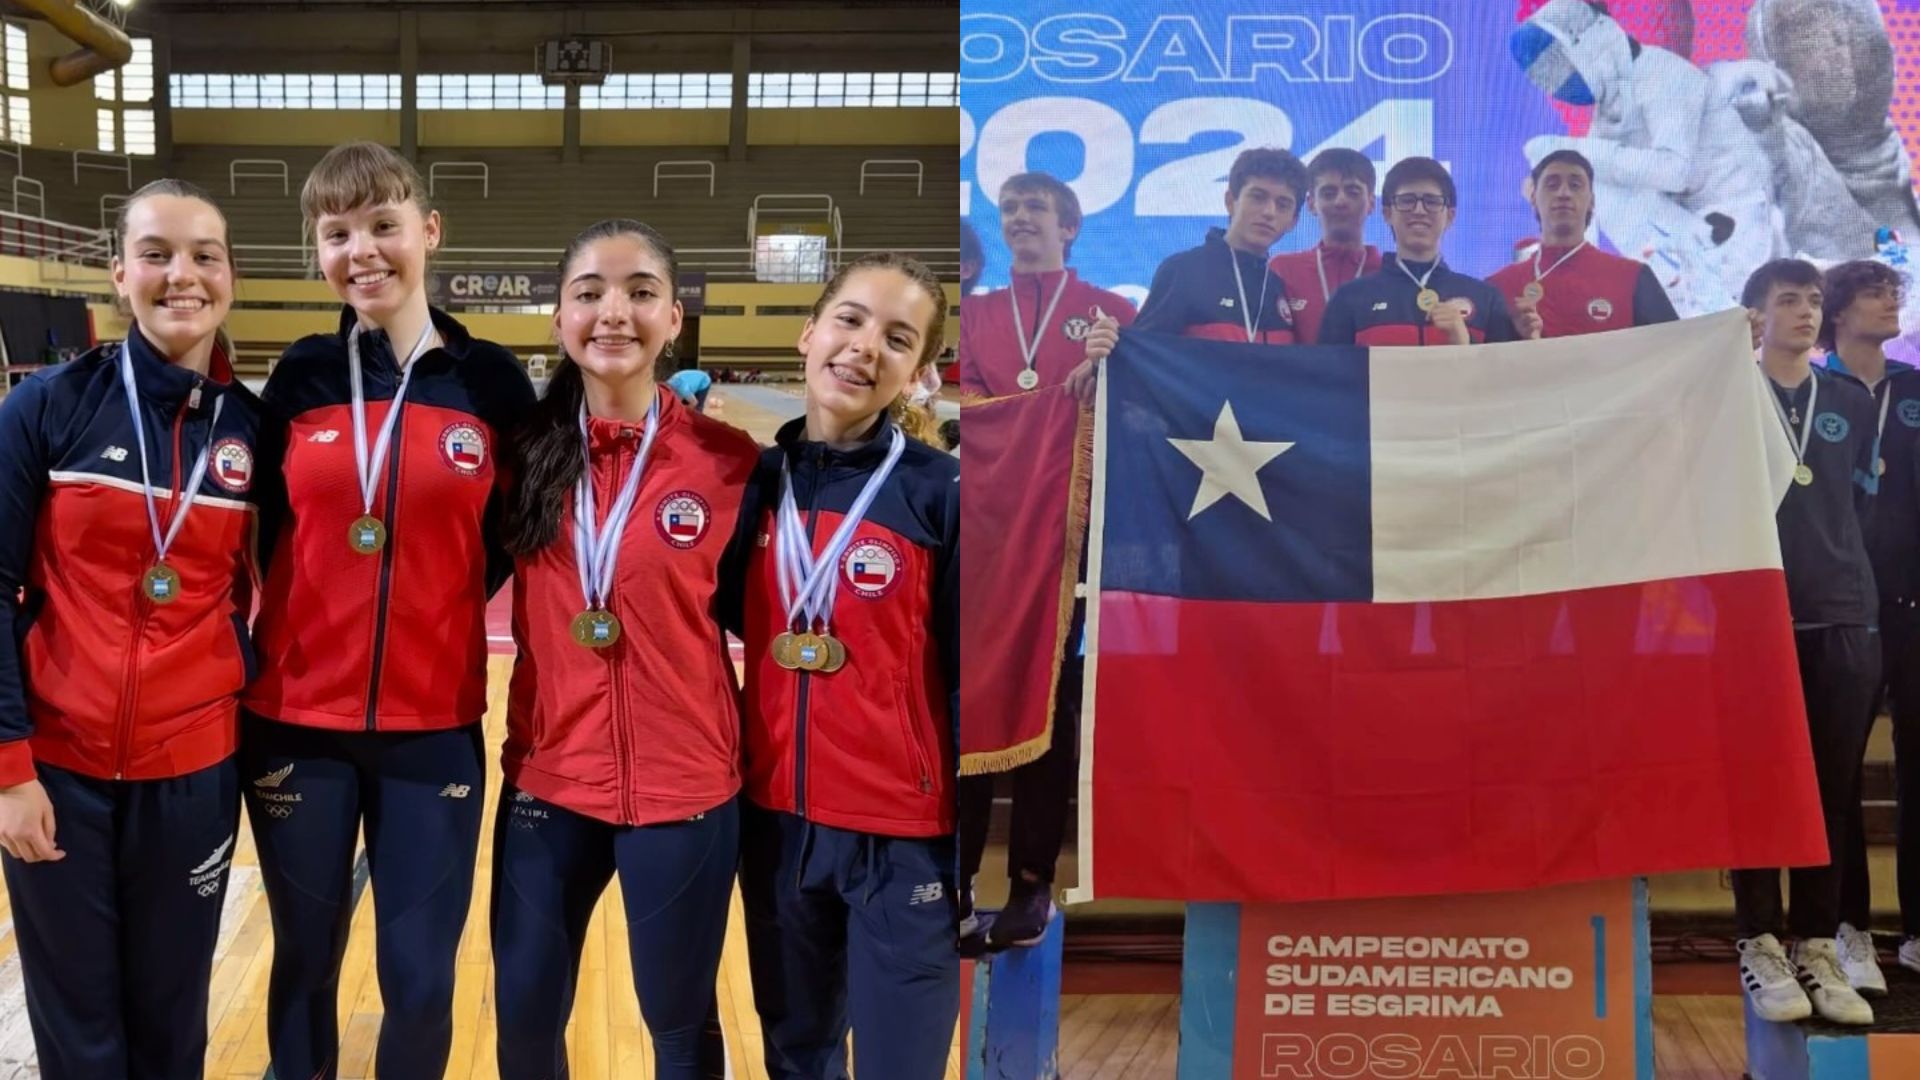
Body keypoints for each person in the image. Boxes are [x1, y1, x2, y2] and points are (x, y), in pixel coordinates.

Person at [242, 141, 536, 1079]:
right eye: (336, 233)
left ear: (428, 231)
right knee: (303, 965)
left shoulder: (490, 381)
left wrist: (429, 612)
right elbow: (265, 535)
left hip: (433, 730)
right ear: (318, 251)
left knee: (419, 976)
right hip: (294, 723)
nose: (361, 250)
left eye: (382, 225)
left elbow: (505, 537)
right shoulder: (301, 375)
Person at [0, 179, 262, 1079]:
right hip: (58, 773)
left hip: (193, 773)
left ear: (231, 276)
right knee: (77, 1021)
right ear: (119, 275)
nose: (180, 274)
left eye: (204, 255)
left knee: (171, 1019)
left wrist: (227, 675)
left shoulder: (255, 433)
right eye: (156, 253)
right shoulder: (46, 408)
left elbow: (282, 592)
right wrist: (8, 770)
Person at [490, 220, 759, 1079]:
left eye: (640, 292)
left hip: (686, 787)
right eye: (589, 293)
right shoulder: (520, 454)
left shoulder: (731, 462)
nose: (615, 312)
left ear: (672, 317)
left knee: (679, 1025)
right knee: (527, 1018)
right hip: (551, 779)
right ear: (558, 319)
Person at [732, 252, 959, 1079]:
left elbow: (974, 678)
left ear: (918, 371)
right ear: (809, 333)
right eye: (851, 320)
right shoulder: (753, 486)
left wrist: (977, 855)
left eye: (897, 338)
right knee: (796, 1058)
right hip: (777, 826)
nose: (866, 347)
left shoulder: (944, 493)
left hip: (903, 841)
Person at [1734, 258, 1879, 1027]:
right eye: (1787, 299)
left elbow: (1858, 501)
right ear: (1753, 314)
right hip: (1755, 618)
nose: (1803, 311)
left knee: (1832, 791)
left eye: (1812, 301)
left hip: (1841, 613)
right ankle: (1758, 937)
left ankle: (1816, 943)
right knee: (1758, 782)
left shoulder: (1850, 403)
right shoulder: (1725, 394)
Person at [1821, 259, 1920, 989]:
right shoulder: (1812, 390)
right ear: (1835, 310)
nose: (1892, 300)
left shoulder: (1916, 389)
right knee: (1840, 773)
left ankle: (1916, 931)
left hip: (1913, 605)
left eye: (1896, 290)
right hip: (1842, 607)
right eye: (1874, 292)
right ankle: (1846, 927)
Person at [958, 171, 1135, 403]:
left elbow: (1143, 400)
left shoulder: (1115, 311)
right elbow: (968, 408)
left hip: (1077, 440)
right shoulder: (971, 313)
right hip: (999, 439)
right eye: (1009, 209)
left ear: (1069, 227)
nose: (1019, 216)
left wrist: (1109, 371)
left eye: (1035, 207)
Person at [1318, 156, 1523, 346]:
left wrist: (1465, 342)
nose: (1419, 210)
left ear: (1450, 216)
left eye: (1432, 201)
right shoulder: (1350, 298)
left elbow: (1503, 379)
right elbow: (1330, 380)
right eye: (1407, 200)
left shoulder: (1486, 298)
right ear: (1388, 213)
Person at [1487, 149, 1679, 337]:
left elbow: (1678, 352)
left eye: (1575, 185)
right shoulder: (1498, 287)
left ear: (1592, 201)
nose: (1563, 193)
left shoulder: (1633, 278)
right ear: (1534, 198)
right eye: (1552, 185)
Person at [1130, 148, 1304, 346]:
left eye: (1283, 204)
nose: (1269, 212)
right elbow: (1143, 353)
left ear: (1294, 221)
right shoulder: (1184, 271)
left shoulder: (1281, 287)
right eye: (1258, 197)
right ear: (1230, 201)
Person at [1267, 148, 1385, 346]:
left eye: (1353, 192)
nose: (1340, 201)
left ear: (1371, 203)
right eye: (1329, 193)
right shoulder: (1282, 270)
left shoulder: (1386, 273)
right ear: (1312, 203)